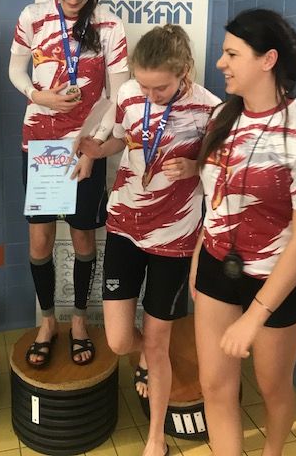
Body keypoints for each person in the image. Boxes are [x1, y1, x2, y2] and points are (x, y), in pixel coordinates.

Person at [191, 8, 296, 456]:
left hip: (278, 280)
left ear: (268, 59)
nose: (220, 63)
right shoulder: (220, 117)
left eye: (232, 54)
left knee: (273, 387)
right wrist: (199, 258)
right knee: (215, 386)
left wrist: (254, 316)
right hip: (217, 266)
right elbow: (214, 200)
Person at [79, 25, 220, 456]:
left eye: (160, 88)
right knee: (120, 341)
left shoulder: (209, 109)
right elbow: (121, 140)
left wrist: (195, 166)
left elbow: (219, 169)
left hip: (175, 239)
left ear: (184, 72)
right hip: (125, 225)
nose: (151, 95)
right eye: (144, 85)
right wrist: (96, 151)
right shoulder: (127, 95)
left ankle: (156, 438)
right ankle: (150, 354)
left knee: (157, 342)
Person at [9, 0, 129, 367]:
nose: (73, 0)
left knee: (82, 236)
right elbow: (15, 69)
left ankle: (78, 320)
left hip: (85, 146)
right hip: (39, 144)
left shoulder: (110, 25)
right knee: (40, 240)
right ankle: (48, 322)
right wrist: (36, 96)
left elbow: (118, 95)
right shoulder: (33, 17)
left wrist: (94, 147)